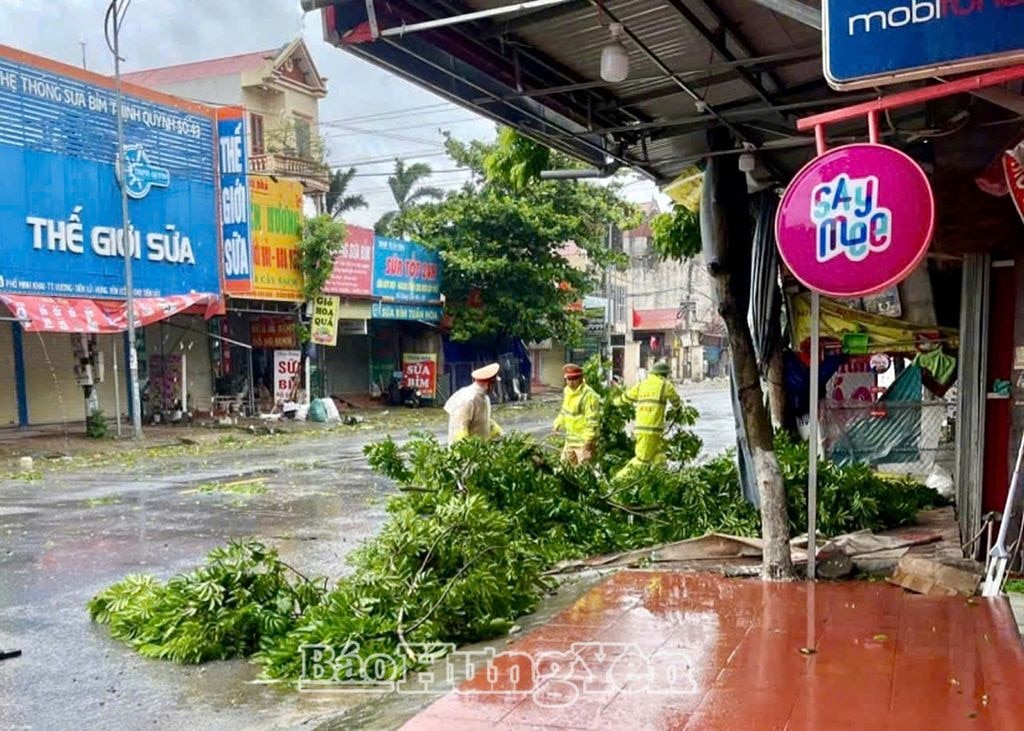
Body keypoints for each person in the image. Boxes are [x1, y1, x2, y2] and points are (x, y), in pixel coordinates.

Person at [614, 361, 681, 479]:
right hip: (652, 431)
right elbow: (676, 401)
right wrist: (678, 409)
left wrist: (613, 403)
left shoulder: (642, 385)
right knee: (642, 461)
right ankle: (619, 480)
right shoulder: (666, 386)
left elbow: (626, 398)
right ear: (664, 375)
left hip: (643, 430)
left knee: (659, 456)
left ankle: (659, 480)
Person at [552, 363, 601, 465]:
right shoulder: (567, 391)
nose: (570, 382)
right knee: (564, 469)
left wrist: (588, 442)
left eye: (574, 379)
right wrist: (557, 423)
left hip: (584, 442)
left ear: (581, 378)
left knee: (585, 472)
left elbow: (592, 422)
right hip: (570, 440)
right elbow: (565, 411)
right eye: (568, 379)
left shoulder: (589, 395)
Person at [444, 363, 503, 445]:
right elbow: (460, 429)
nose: (494, 387)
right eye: (494, 384)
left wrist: (494, 429)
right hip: (467, 451)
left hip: (481, 448)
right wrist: (466, 450)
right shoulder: (469, 399)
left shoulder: (483, 396)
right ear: (487, 384)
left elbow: (479, 419)